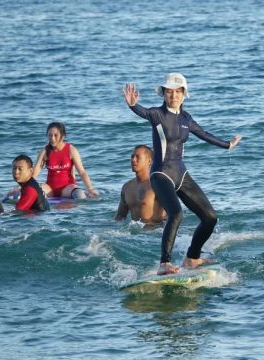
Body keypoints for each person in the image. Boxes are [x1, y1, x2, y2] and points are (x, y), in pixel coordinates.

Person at [123, 73, 242, 275]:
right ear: (164, 94)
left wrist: (228, 145)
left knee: (210, 217)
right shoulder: (157, 115)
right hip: (161, 174)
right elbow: (142, 111)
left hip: (181, 174)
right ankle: (164, 263)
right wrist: (133, 105)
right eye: (169, 92)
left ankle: (192, 258)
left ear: (184, 94)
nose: (174, 95)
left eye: (178, 92)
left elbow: (204, 134)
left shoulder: (186, 118)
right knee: (176, 214)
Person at [31, 122, 98, 199]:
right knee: (33, 190)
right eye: (50, 135)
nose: (52, 138)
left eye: (56, 135)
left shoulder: (71, 150)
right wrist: (21, 187)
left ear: (63, 136)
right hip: (50, 189)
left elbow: (82, 172)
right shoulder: (45, 151)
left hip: (67, 189)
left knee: (79, 194)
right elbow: (35, 173)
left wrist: (90, 189)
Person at [115, 145, 166, 225]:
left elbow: (171, 215)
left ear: (149, 161)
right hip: (134, 235)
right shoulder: (127, 187)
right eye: (132, 157)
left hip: (155, 232)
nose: (133, 160)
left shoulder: (158, 185)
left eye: (138, 157)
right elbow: (120, 216)